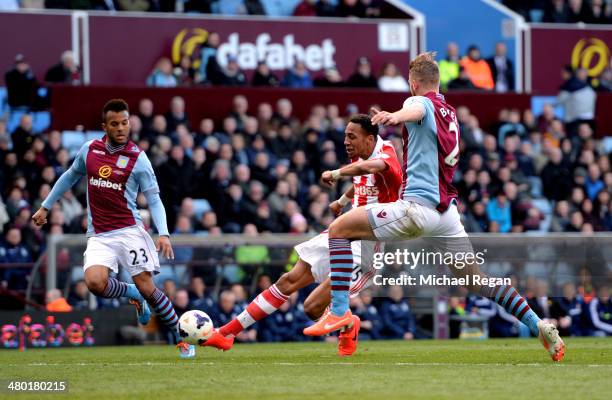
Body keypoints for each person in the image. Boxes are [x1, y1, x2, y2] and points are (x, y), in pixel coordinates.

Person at [303, 52, 565, 362]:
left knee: (338, 229)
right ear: (438, 82)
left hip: (417, 208)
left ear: (414, 84)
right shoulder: (449, 112)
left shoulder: (419, 103)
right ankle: (539, 324)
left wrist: (392, 116)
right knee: (476, 280)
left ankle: (340, 311)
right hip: (447, 215)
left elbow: (413, 110)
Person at [204, 114, 403, 356]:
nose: (346, 142)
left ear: (370, 139)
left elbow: (369, 168)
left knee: (311, 308)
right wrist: (341, 201)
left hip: (367, 245)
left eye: (352, 137)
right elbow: (363, 178)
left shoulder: (386, 153)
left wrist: (336, 173)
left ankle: (349, 323)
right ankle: (226, 333)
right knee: (287, 281)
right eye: (345, 136)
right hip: (341, 231)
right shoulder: (361, 155)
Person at [30, 99, 194, 359]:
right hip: (99, 233)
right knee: (95, 283)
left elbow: (154, 199)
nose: (121, 128)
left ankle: (182, 338)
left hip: (130, 230)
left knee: (148, 286)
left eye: (125, 123)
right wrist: (46, 207)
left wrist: (163, 233)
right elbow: (70, 175)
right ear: (104, 126)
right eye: (115, 124)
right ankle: (132, 295)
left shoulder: (138, 159)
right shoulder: (89, 150)